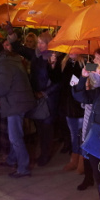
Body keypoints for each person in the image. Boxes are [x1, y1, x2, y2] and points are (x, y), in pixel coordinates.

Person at [0, 40, 36, 178]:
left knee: (15, 137)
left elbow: (3, 87)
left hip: (15, 103)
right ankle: (11, 160)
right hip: (19, 101)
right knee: (14, 135)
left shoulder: (4, 66)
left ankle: (23, 168)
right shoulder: (11, 60)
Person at [30, 32, 62, 166]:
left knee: (47, 127)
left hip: (49, 99)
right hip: (36, 96)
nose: (39, 45)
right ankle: (42, 153)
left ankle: (45, 154)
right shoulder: (36, 57)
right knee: (40, 127)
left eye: (42, 42)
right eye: (38, 42)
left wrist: (45, 93)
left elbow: (58, 82)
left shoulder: (54, 59)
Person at [59, 50, 85, 174]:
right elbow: (63, 82)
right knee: (74, 134)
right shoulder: (66, 63)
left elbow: (80, 83)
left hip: (80, 105)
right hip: (69, 104)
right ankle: (74, 159)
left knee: (82, 135)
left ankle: (81, 162)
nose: (70, 52)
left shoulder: (85, 63)